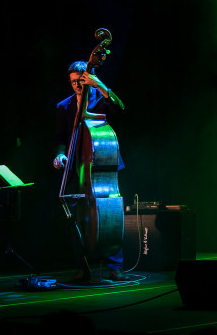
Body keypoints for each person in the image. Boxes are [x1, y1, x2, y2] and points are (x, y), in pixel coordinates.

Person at [54, 61, 127, 282]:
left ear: (88, 78)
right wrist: (59, 154)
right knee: (77, 218)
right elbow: (60, 138)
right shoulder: (63, 106)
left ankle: (115, 265)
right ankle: (82, 266)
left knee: (109, 215)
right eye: (73, 82)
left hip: (104, 166)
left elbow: (120, 108)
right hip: (80, 167)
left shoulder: (99, 99)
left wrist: (99, 84)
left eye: (80, 80)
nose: (77, 85)